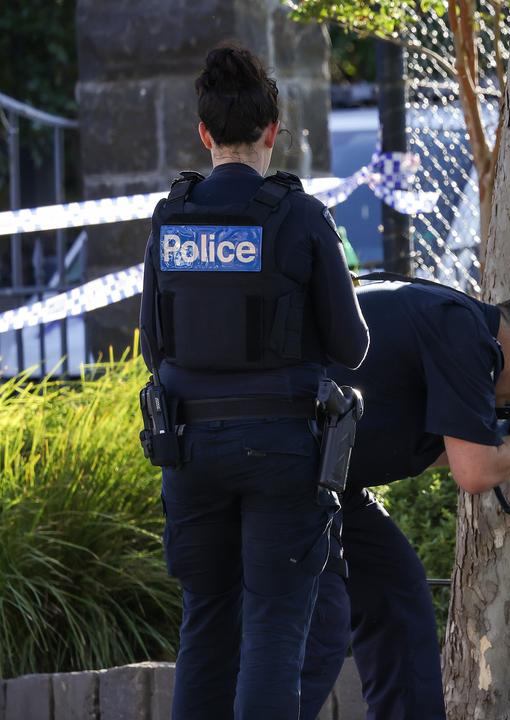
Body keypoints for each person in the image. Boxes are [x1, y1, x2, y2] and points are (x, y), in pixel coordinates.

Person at [138, 44, 369, 719]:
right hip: (282, 452)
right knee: (274, 626)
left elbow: (154, 347)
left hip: (188, 448)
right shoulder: (299, 216)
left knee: (205, 625)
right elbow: (353, 347)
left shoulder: (170, 216)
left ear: (204, 135)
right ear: (273, 132)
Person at [298, 278, 510, 720]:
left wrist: (501, 439)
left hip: (330, 482)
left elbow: (439, 449)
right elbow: (476, 473)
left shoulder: (452, 326)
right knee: (318, 634)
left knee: (397, 596)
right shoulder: (465, 332)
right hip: (287, 475)